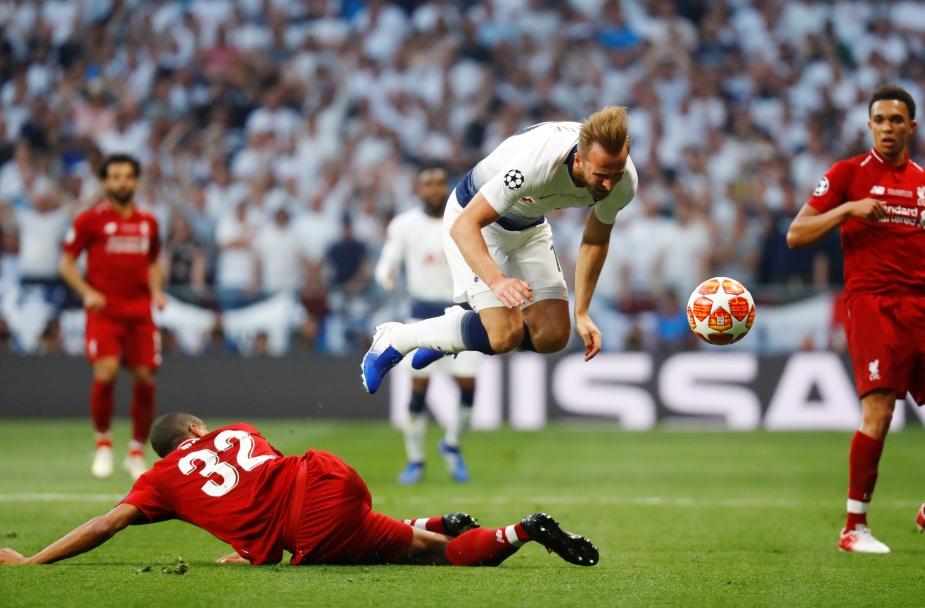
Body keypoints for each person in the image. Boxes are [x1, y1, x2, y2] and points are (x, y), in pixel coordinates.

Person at [0, 413, 598, 569]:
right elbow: (254, 485)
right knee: (385, 531)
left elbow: (105, 525)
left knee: (428, 557)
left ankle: (521, 530)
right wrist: (246, 536)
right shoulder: (236, 431)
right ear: (197, 431)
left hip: (311, 524)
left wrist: (33, 560)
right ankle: (439, 518)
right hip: (330, 475)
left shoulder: (158, 481)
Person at [787, 85, 925, 554]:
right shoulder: (846, 175)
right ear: (869, 125)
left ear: (911, 126)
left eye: (897, 120)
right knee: (879, 414)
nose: (888, 127)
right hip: (871, 303)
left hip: (922, 305)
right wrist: (847, 209)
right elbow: (796, 234)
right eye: (880, 119)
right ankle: (854, 528)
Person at [361, 106, 638, 394]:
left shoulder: (623, 180)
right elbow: (465, 224)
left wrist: (582, 312)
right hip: (476, 219)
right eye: (601, 174)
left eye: (616, 174)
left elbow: (595, 240)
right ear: (579, 160)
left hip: (528, 224)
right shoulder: (538, 162)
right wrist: (497, 280)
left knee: (553, 336)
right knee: (504, 335)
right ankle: (397, 336)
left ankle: (454, 332)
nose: (608, 184)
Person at [59, 154, 167, 481]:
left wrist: (158, 291)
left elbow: (151, 262)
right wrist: (87, 292)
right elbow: (66, 264)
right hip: (104, 311)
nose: (122, 182)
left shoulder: (148, 222)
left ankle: (136, 452)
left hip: (139, 313)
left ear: (136, 181)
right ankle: (103, 443)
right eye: (116, 176)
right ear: (105, 182)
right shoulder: (88, 220)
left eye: (128, 176)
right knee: (105, 372)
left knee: (144, 380)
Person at [374, 167, 482, 485]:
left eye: (439, 183)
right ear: (418, 188)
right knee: (419, 389)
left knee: (468, 387)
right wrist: (385, 274)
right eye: (427, 184)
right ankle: (416, 460)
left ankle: (451, 444)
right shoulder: (405, 225)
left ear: (446, 186)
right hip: (421, 317)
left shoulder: (466, 217)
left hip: (462, 315)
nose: (434, 189)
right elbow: (389, 257)